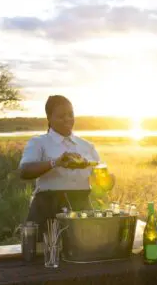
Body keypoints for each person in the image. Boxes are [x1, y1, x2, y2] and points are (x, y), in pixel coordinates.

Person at [18, 95, 113, 234]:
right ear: (49, 118)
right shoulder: (38, 143)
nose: (67, 119)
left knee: (84, 253)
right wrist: (55, 163)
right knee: (45, 253)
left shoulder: (86, 146)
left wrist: (108, 182)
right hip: (47, 210)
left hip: (82, 209)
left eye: (70, 114)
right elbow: (24, 171)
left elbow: (98, 183)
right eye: (61, 116)